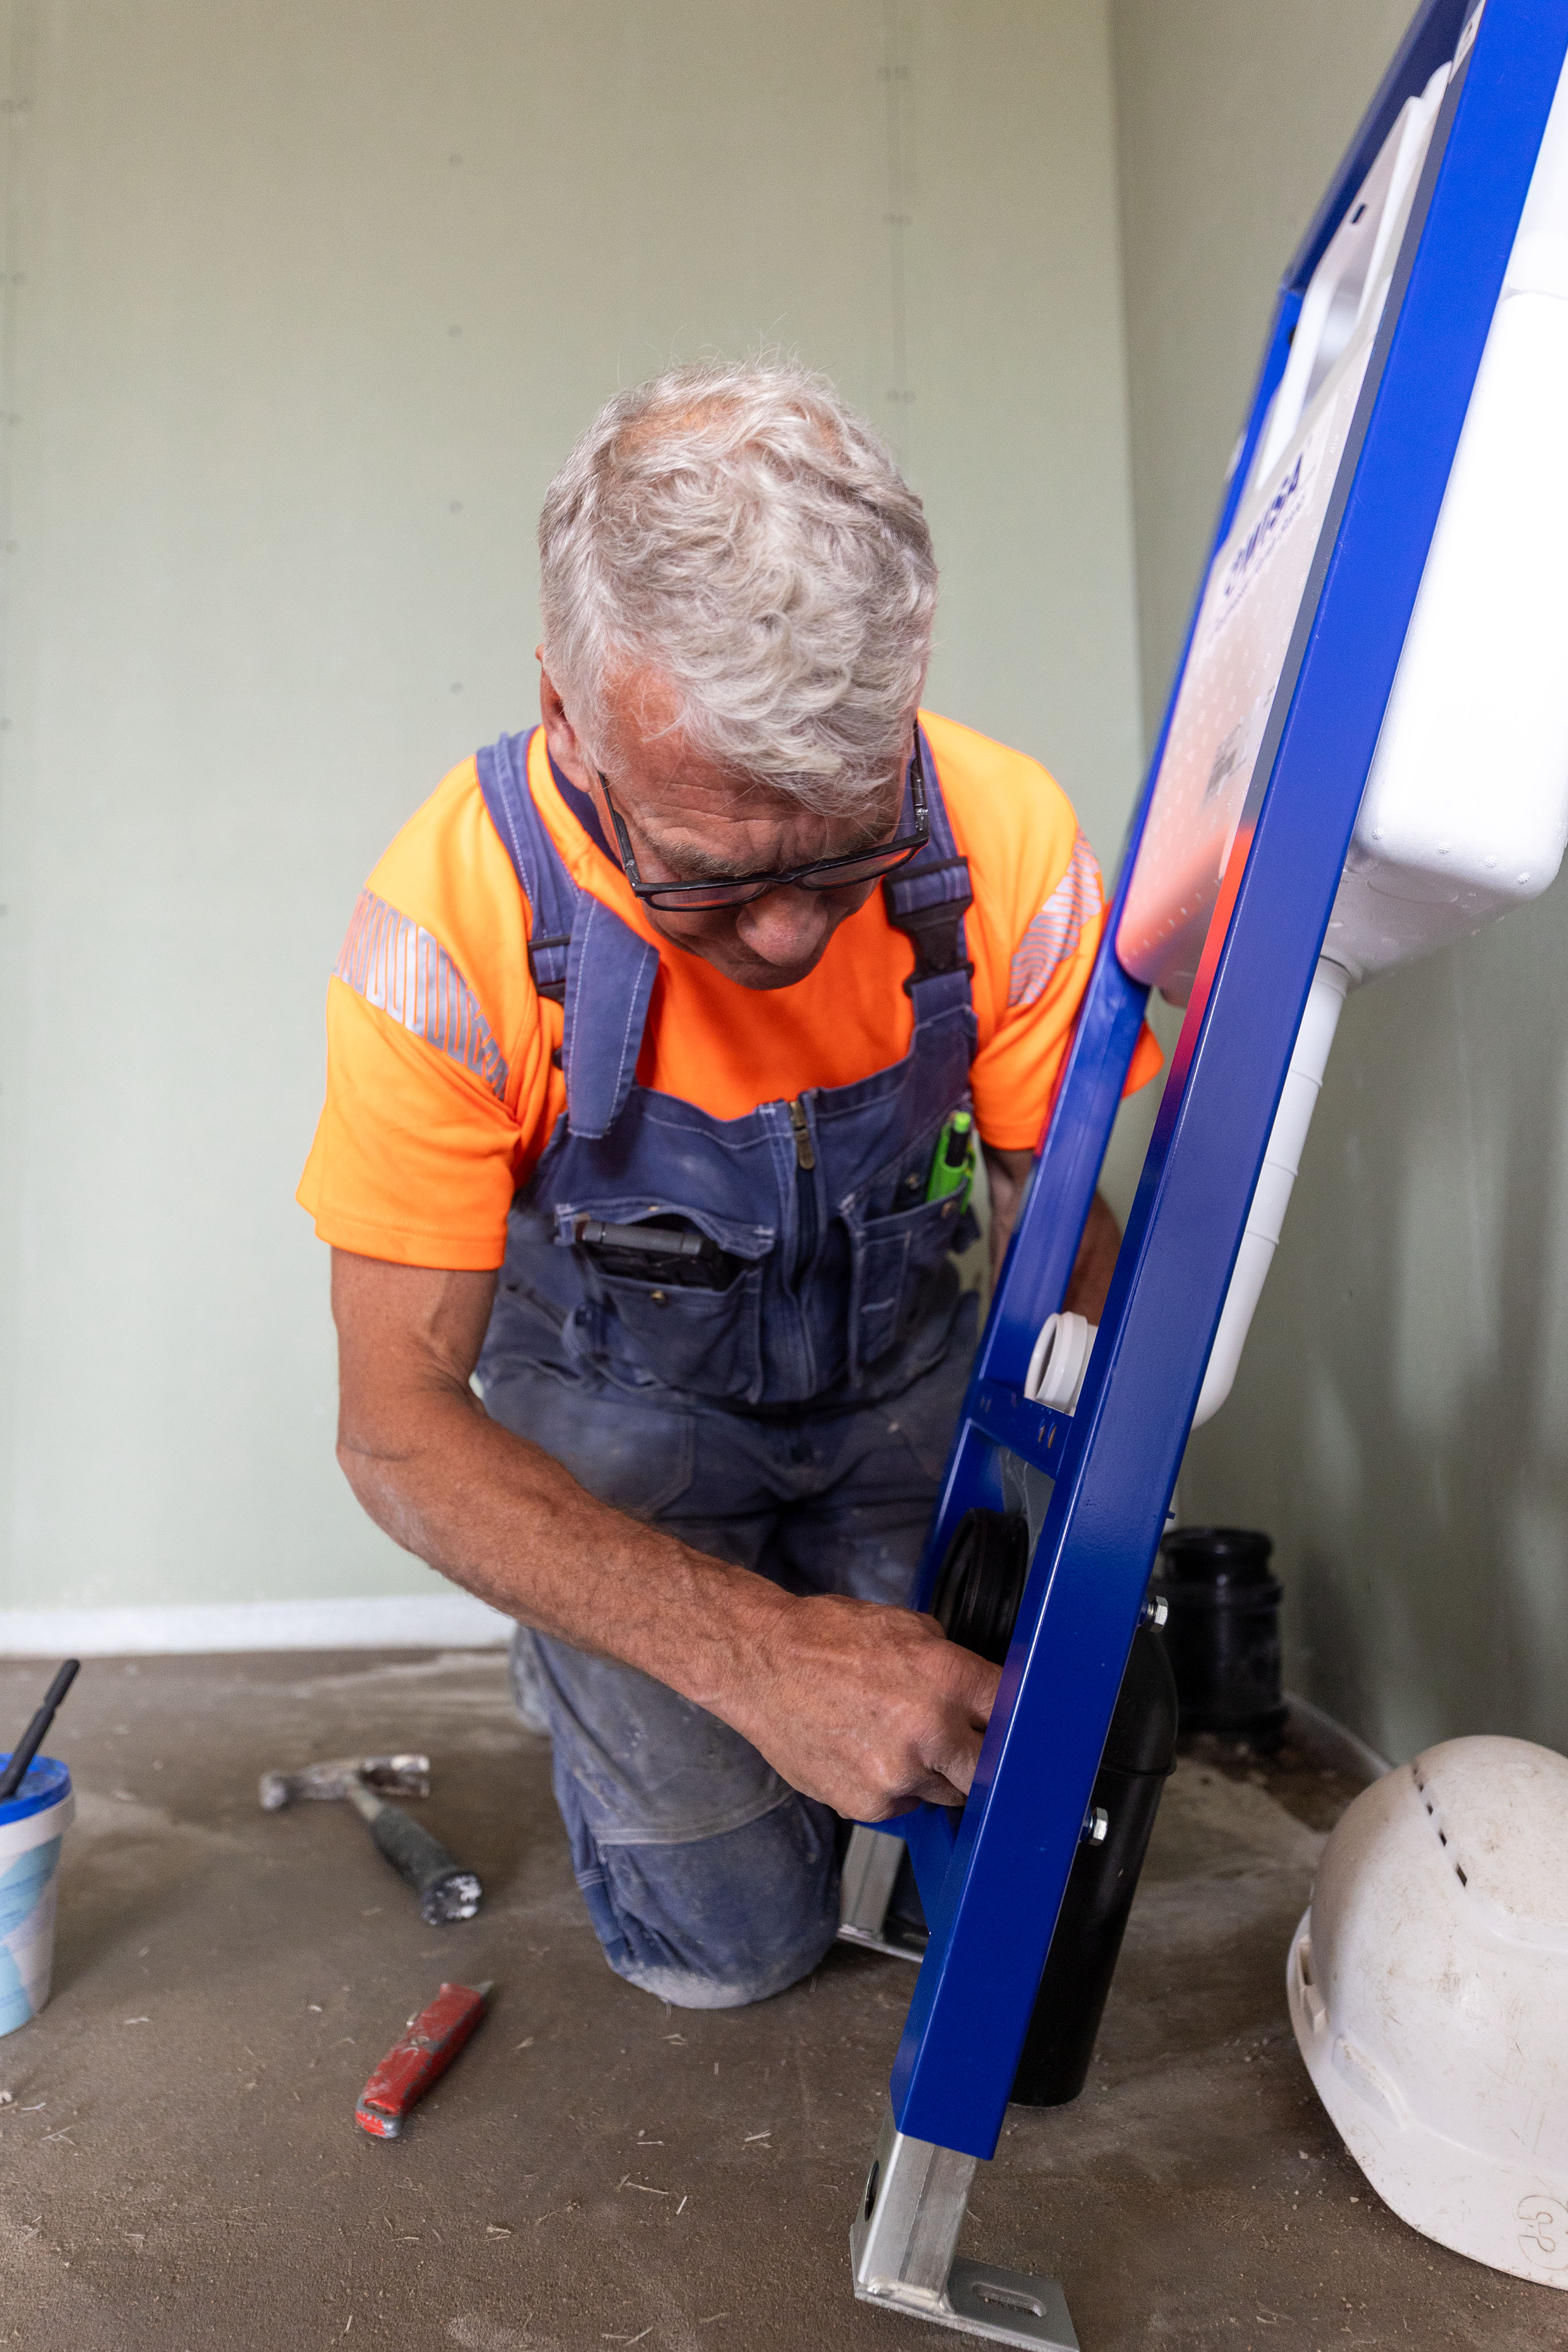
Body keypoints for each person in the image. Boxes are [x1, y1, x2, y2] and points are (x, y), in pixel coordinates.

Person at [299, 359, 1158, 2009]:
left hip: (905, 1390)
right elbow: (392, 1427)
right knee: (734, 1954)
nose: (788, 937)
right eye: (711, 879)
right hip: (615, 1425)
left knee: (987, 1861)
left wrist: (1088, 1535)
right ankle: (585, 1635)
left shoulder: (1006, 839)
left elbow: (1078, 1240)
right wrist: (756, 1659)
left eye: (844, 851)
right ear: (573, 720)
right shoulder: (449, 938)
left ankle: (703, 1629)